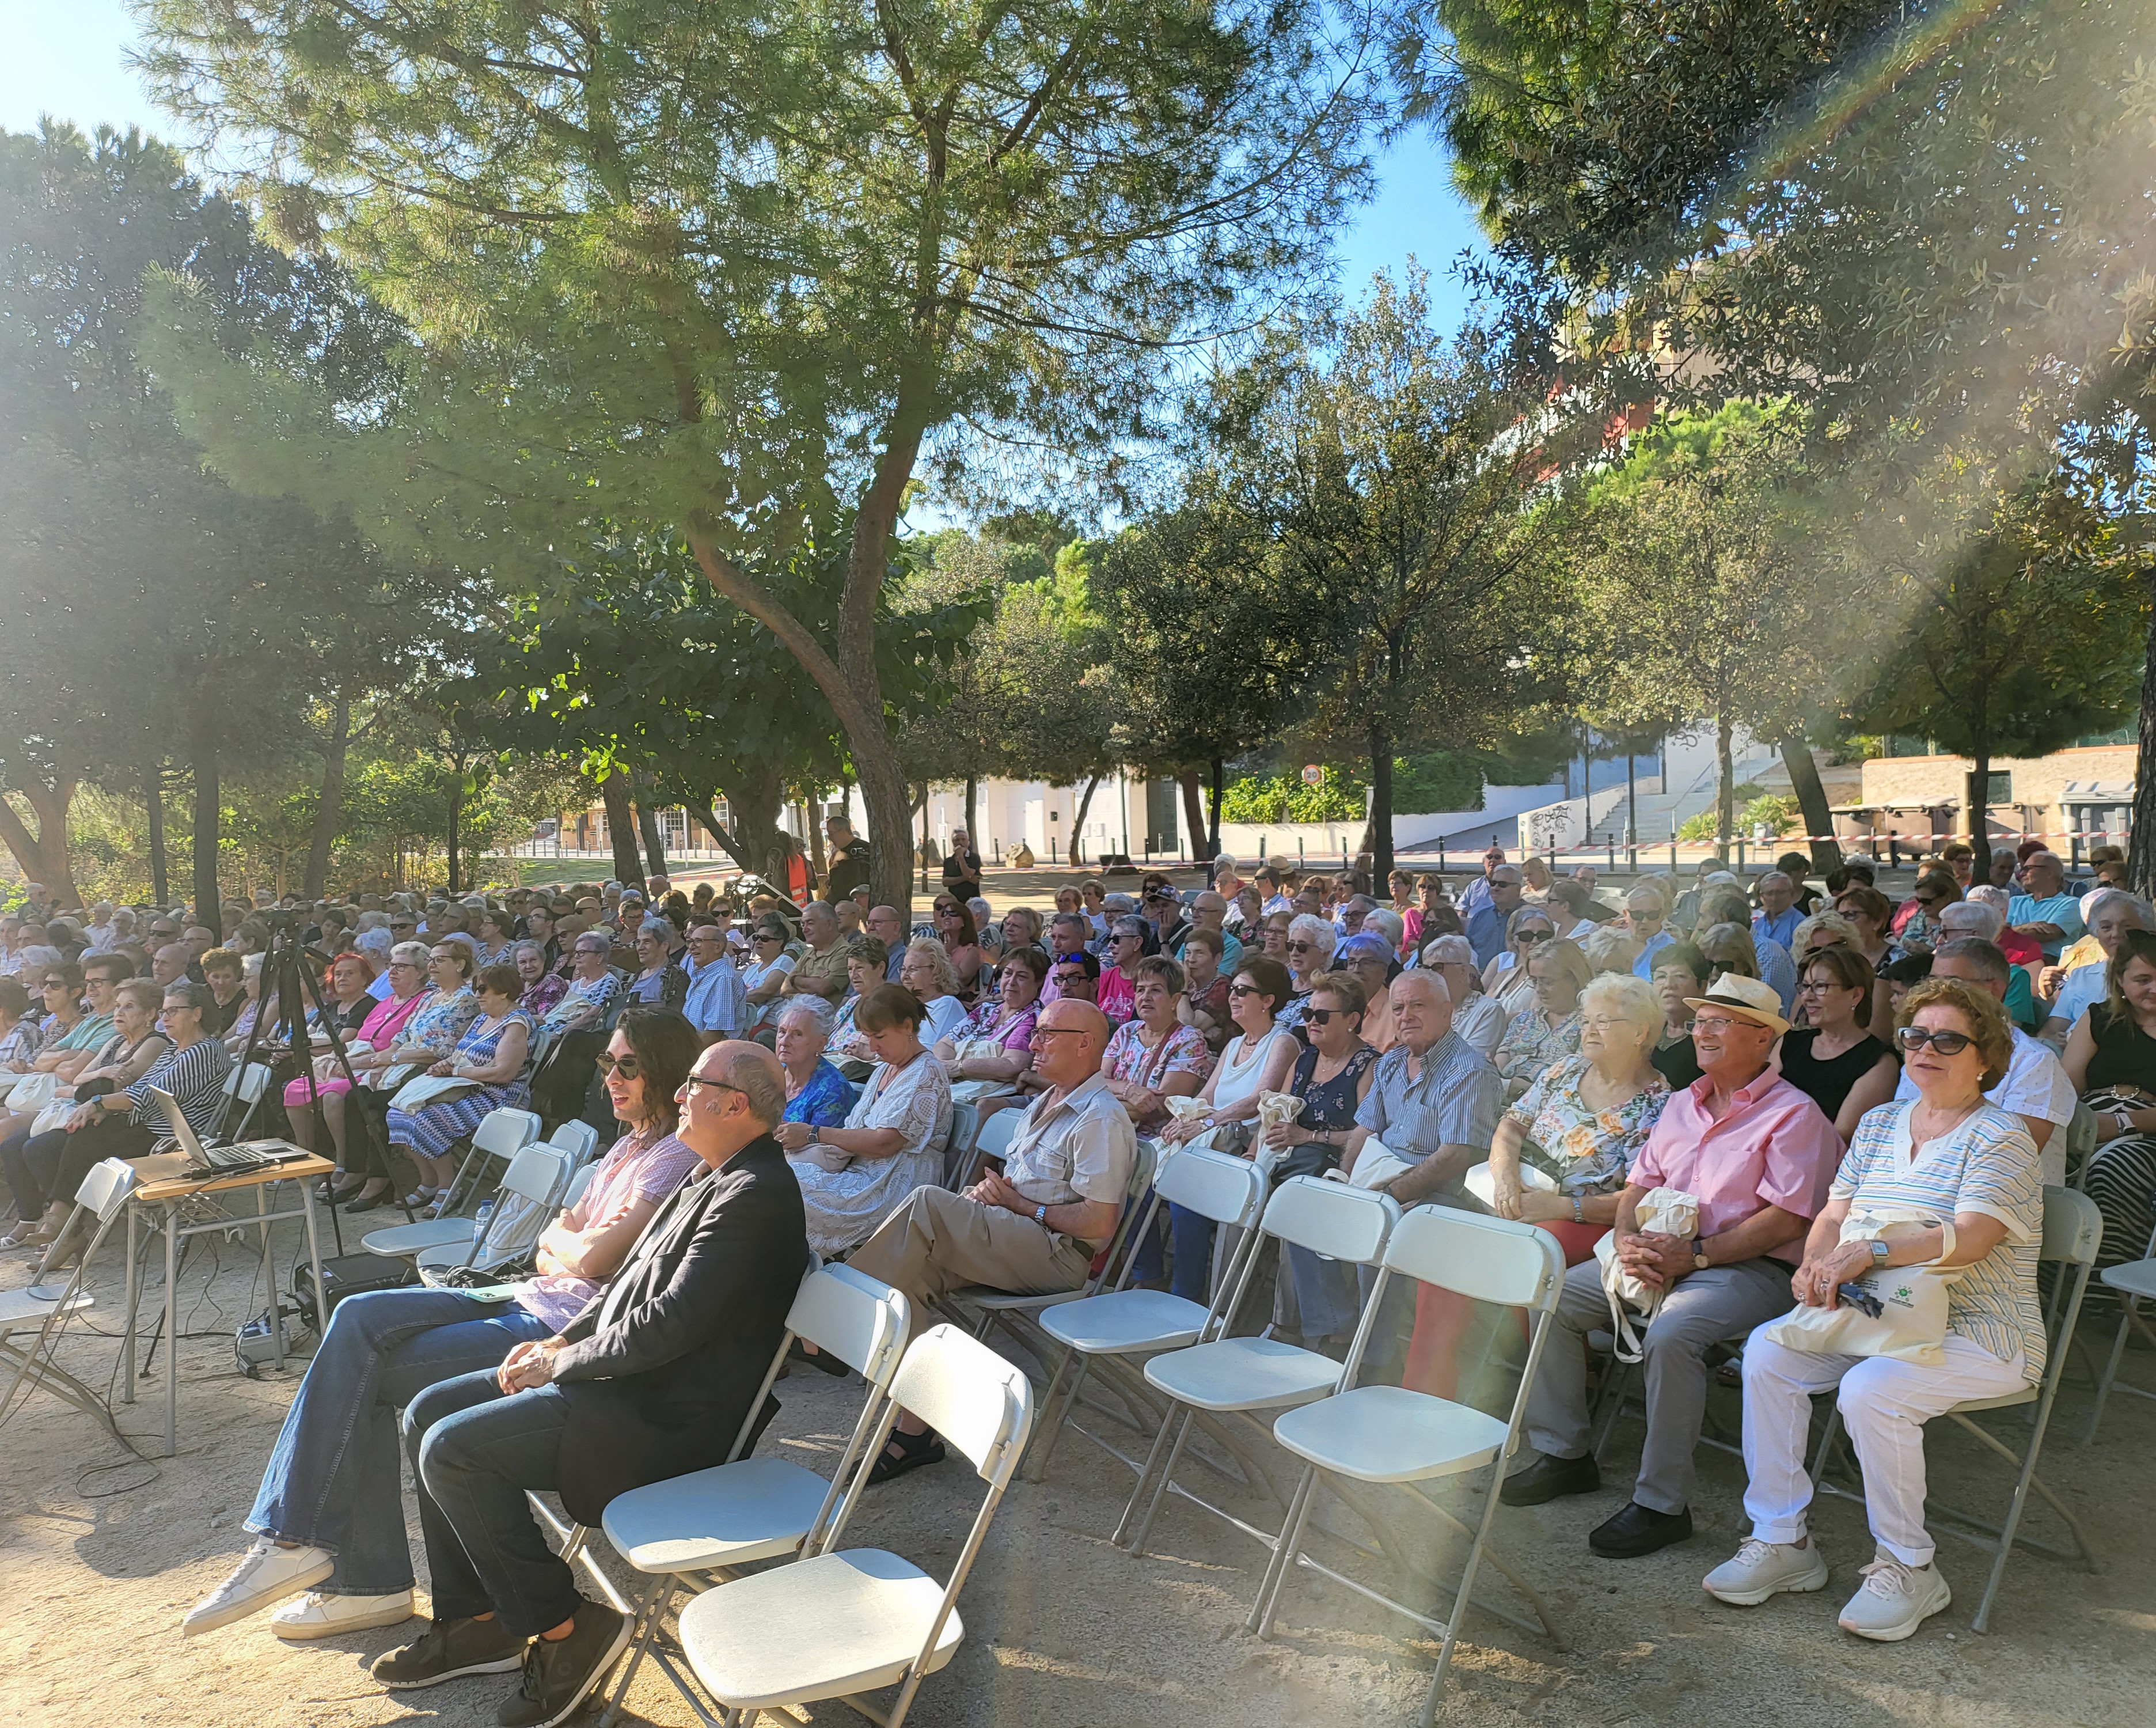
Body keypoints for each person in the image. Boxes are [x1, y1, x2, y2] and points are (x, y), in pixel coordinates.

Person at [181, 1012, 704, 1641]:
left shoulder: (673, 1154)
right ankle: (314, 1553)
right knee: (354, 1315)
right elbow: (550, 1239)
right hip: (525, 1290)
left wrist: (573, 1241)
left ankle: (344, 1570)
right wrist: (572, 1241)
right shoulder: (629, 1142)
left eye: (629, 1066)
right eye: (607, 1065)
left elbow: (595, 1257)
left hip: (558, 1324)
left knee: (364, 1375)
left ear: (667, 1071)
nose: (612, 1079)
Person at [346, 1041, 805, 1723]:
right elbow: (627, 1283)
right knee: (426, 1410)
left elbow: (668, 1325)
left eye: (692, 1084)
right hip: (629, 1385)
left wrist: (558, 1364)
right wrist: (562, 1337)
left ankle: (566, 1630)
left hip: (668, 1416)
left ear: (733, 1104)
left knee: (454, 1450)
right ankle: (478, 1620)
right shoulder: (715, 1172)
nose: (678, 1094)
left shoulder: (757, 1193)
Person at [1709, 978, 2044, 1643]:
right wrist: (1814, 1261)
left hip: (1982, 1330)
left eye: (1950, 1039)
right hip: (1873, 1317)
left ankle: (1909, 1566)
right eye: (1916, 1035)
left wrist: (1873, 1251)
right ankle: (1783, 1540)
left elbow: (1974, 1236)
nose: (1927, 1049)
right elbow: (1834, 1211)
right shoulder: (1884, 1121)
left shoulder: (2000, 1137)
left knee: (1871, 1391)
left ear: (1986, 1056)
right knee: (1771, 1350)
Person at [1503, 975, 1842, 1559]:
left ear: (1762, 1038)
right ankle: (1565, 1454)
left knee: (1673, 1333)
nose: (1702, 1031)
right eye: (1700, 1020)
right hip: (1666, 1255)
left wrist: (1700, 1255)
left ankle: (1662, 1505)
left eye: (1719, 1021)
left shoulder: (1795, 1115)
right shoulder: (1684, 1102)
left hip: (1748, 1269)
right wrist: (1629, 1240)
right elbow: (1640, 1185)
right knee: (1550, 1295)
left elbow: (1786, 1222)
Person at [847, 999, 1132, 1483]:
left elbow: (1099, 1226)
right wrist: (996, 1195)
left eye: (1047, 1034)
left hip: (1055, 1255)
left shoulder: (1099, 1118)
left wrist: (1019, 1205)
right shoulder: (1047, 1100)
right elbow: (1025, 1188)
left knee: (927, 1203)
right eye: (1036, 1033)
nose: (1034, 1044)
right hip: (1015, 1235)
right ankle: (916, 1433)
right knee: (910, 1280)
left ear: (1085, 1044)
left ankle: (840, 1320)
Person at [1341, 969, 1505, 1397]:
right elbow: (1364, 1131)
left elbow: (1456, 1157)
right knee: (1311, 1215)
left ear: (1447, 1012)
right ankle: (1331, 1335)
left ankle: (1375, 1365)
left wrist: (1389, 1198)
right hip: (1383, 1183)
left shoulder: (1470, 1071)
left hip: (1443, 1197)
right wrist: (1342, 1181)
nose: (1406, 1015)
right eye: (1398, 1007)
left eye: (1419, 1005)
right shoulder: (1393, 1062)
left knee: (1384, 1237)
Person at [8, 982, 232, 1259]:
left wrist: (98, 1103)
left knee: (87, 1133)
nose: (165, 1019)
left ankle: (63, 1226)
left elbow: (147, 1094)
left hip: (169, 1140)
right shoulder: (175, 1049)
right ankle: (70, 1229)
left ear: (197, 1014)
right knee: (42, 1148)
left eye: (173, 1012)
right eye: (164, 1012)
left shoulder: (203, 1050)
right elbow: (136, 1089)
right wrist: (102, 1106)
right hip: (139, 1125)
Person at [1485, 972, 1669, 1266]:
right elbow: (1511, 1125)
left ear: (1640, 1033)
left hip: (1578, 1224)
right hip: (1514, 1196)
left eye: (1604, 1022)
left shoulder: (1658, 1106)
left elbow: (1640, 1198)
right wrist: (1505, 1180)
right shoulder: (1567, 1069)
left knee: (1497, 1257)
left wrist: (1561, 1207)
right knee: (1446, 1239)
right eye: (1586, 1021)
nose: (1590, 1031)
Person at [774, 982, 951, 1259]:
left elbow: (885, 1143)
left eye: (879, 1036)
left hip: (891, 1185)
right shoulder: (887, 1069)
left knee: (787, 1189)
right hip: (861, 1174)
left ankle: (790, 1268)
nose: (872, 1046)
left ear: (907, 1027)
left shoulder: (926, 1073)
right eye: (868, 1036)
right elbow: (856, 1131)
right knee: (777, 1177)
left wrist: (813, 1134)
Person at [1259, 971, 1379, 1351]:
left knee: (1300, 1202)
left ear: (1353, 1020)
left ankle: (1299, 1325)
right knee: (1255, 1185)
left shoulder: (1369, 1066)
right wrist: (1264, 1143)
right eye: (1309, 1012)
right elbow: (1276, 1111)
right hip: (1291, 1159)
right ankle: (1304, 1323)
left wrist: (1309, 1137)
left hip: (1337, 1165)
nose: (1311, 1021)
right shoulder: (1305, 1058)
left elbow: (1369, 1135)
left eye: (1323, 1016)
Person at [2, 978, 172, 1246]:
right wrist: (101, 1072)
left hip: (116, 1121)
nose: (119, 1013)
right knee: (12, 1146)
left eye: (128, 1007)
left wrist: (88, 1084)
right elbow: (82, 1078)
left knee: (38, 1148)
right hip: (81, 1110)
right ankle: (32, 1219)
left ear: (150, 1014)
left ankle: (69, 1226)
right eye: (117, 1006)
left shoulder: (155, 1043)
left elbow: (114, 1087)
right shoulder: (117, 1041)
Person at [1890, 937, 2074, 1183]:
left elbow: (2011, 1161)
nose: (1937, 992)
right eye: (1932, 982)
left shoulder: (2034, 1062)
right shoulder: (1922, 1049)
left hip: (1995, 1200)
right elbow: (1898, 1138)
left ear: (1994, 990)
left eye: (1953, 983)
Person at [386, 962, 535, 1214]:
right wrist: (443, 1066)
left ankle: (449, 1186)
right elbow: (460, 1054)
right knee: (397, 1114)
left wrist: (455, 1072)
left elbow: (503, 1073)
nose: (477, 994)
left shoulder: (516, 1023)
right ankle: (429, 1181)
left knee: (426, 1121)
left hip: (498, 1096)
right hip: (465, 1087)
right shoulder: (483, 1018)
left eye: (483, 989)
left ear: (504, 992)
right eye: (476, 988)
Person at [2064, 929, 2156, 1267]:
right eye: (2143, 979)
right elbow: (2066, 1087)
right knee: (2041, 1166)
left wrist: (2121, 1123)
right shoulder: (2100, 1018)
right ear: (2120, 979)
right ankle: (2045, 1285)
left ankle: (2103, 1291)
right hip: (2088, 1124)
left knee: (2112, 1169)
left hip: (2147, 1133)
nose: (2154, 989)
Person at [1779, 946, 1899, 1142]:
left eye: (1820, 987)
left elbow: (1838, 1140)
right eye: (1805, 987)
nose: (1807, 997)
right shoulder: (1790, 1043)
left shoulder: (1879, 1063)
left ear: (1855, 995)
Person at [1099, 954, 1212, 1136]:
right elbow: (1097, 1081)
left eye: (1156, 990)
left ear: (1174, 1000)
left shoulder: (1189, 1041)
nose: (1146, 997)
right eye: (1140, 990)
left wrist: (1102, 1098)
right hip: (1107, 1127)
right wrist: (1128, 1090)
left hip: (1151, 1140)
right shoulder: (1126, 1032)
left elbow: (1160, 1107)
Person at [2039, 888, 2149, 1048]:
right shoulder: (2081, 976)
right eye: (2106, 927)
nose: (2116, 934)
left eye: (2127, 926)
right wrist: (2056, 1041)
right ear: (2096, 933)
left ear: (2145, 929)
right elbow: (2049, 1032)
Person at [1494, 937, 1589, 1101]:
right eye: (1534, 981)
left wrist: (1517, 1087)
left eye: (1547, 981)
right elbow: (1500, 1063)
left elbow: (1578, 1081)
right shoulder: (1523, 1020)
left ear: (1574, 978)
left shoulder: (1590, 1026)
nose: (1539, 990)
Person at [938, 944, 1047, 1084]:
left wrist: (957, 1067)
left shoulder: (1033, 1019)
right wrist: (944, 1067)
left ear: (1039, 982)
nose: (1011, 982)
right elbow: (944, 1044)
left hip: (987, 1094)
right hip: (954, 1084)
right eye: (1008, 973)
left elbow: (1013, 1065)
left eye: (1022, 977)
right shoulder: (986, 1009)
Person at [1423, 933, 1505, 1061]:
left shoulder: (1488, 1010)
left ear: (1463, 971)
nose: (1429, 975)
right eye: (1425, 969)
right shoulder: (1424, 1009)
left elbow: (1471, 1062)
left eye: (1438, 968)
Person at [2008, 850, 2084, 962]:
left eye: (2027, 869)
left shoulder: (2072, 904)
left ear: (2049, 873)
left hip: (2048, 967)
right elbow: (1999, 934)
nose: (2021, 874)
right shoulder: (2015, 901)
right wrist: (2027, 927)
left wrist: (2011, 932)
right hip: (2012, 963)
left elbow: (2042, 935)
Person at [1481, 904, 1555, 1016]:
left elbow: (1533, 1019)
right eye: (1526, 935)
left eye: (1543, 935)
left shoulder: (1550, 980)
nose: (1535, 941)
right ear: (1514, 939)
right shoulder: (1503, 975)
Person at [898, 937, 973, 1046]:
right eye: (903, 969)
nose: (905, 976)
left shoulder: (947, 1005)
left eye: (912, 969)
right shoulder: (909, 1005)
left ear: (936, 973)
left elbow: (926, 1051)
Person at [781, 900, 852, 1005]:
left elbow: (823, 988)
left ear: (829, 924)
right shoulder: (808, 953)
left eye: (810, 923)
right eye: (803, 924)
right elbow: (784, 990)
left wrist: (795, 980)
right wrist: (808, 983)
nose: (804, 930)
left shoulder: (845, 952)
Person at [739, 914, 799, 1036]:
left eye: (765, 939)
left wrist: (734, 1000)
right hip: (745, 1019)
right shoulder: (753, 968)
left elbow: (765, 991)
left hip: (767, 1022)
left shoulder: (784, 961)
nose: (759, 942)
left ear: (779, 943)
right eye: (757, 938)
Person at [1178, 927, 1232, 1054]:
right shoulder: (1191, 987)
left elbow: (1188, 1027)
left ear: (1217, 959)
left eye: (1199, 953)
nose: (1191, 959)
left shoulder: (1222, 989)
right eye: (1188, 952)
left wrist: (1182, 987)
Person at [1466, 863, 1525, 968]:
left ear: (1518, 889)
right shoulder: (1480, 917)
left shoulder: (1531, 918)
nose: (1495, 888)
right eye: (1493, 883)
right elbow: (1467, 951)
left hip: (1513, 979)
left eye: (1502, 884)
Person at [1098, 914, 1149, 1026]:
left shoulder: (1152, 980)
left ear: (1137, 943)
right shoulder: (1107, 977)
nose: (1110, 946)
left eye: (1117, 940)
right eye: (1110, 940)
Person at [932, 894, 987, 998]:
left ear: (964, 922)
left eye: (953, 914)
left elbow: (959, 978)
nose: (947, 917)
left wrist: (946, 954)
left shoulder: (972, 951)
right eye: (944, 914)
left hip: (957, 999)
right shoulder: (936, 944)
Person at [1625, 883, 1675, 980]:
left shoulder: (1673, 949)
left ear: (1662, 915)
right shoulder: (1612, 945)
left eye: (1652, 915)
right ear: (1625, 914)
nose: (1645, 921)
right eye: (1637, 915)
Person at [823, 812, 873, 903]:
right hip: (838, 906)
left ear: (842, 832)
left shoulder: (866, 850)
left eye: (831, 834)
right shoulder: (836, 853)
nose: (830, 838)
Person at [1751, 871, 1802, 956]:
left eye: (1780, 893)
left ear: (1792, 893)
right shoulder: (1757, 925)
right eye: (1769, 893)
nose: (1774, 898)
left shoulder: (1801, 925)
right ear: (1762, 897)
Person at [864, 904, 909, 982]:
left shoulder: (903, 958)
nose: (871, 928)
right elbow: (851, 992)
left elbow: (891, 992)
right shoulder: (865, 956)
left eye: (878, 922)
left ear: (896, 927)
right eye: (869, 923)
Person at [942, 827, 984, 899]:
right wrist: (966, 878)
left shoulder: (974, 858)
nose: (960, 842)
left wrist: (961, 857)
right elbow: (945, 882)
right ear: (953, 842)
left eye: (963, 839)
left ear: (968, 841)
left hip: (972, 900)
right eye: (957, 840)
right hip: (954, 900)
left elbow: (968, 874)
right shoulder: (949, 861)